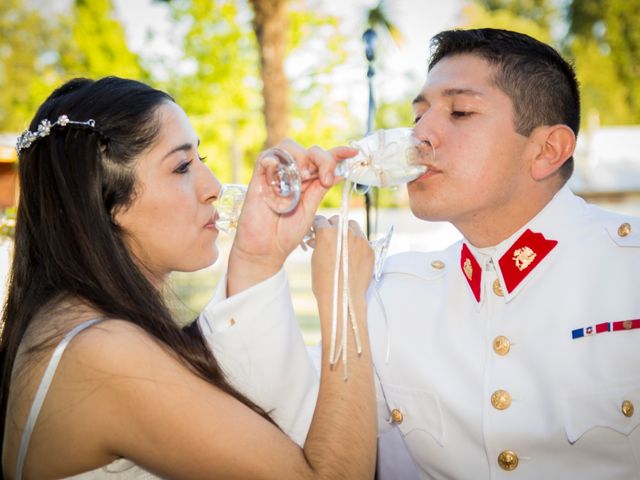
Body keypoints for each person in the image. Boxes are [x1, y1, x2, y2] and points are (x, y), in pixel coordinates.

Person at [204, 28, 640, 479]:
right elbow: (290, 429)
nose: (420, 135)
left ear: (548, 150)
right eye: (419, 114)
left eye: (461, 111)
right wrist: (260, 257)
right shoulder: (392, 295)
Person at [0, 76, 377, 479]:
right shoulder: (102, 352)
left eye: (202, 159)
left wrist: (257, 255)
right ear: (106, 201)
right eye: (181, 166)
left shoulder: (66, 324)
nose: (213, 187)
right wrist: (345, 302)